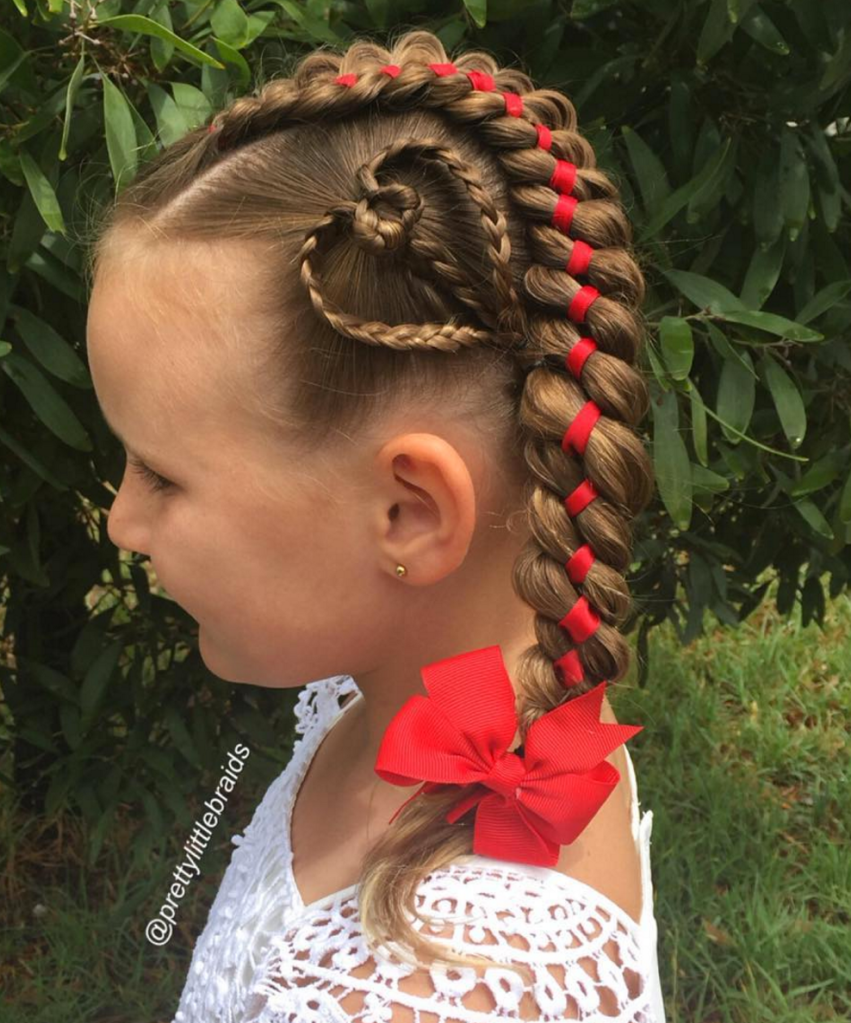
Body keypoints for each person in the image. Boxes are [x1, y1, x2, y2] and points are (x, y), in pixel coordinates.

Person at [85, 26, 665, 1023]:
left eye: (163, 478)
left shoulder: (444, 992)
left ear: (406, 513)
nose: (120, 523)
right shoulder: (488, 689)